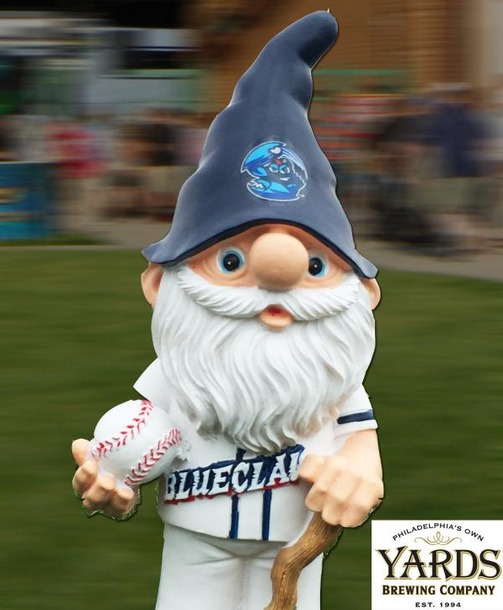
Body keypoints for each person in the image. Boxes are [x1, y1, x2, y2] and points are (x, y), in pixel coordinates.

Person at [71, 12, 384, 610]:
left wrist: (361, 473)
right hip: (198, 533)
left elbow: (358, 443)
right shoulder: (183, 368)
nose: (277, 273)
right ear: (159, 285)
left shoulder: (333, 376)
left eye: (315, 264)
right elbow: (139, 446)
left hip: (295, 533)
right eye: (231, 260)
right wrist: (114, 489)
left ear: (364, 292)